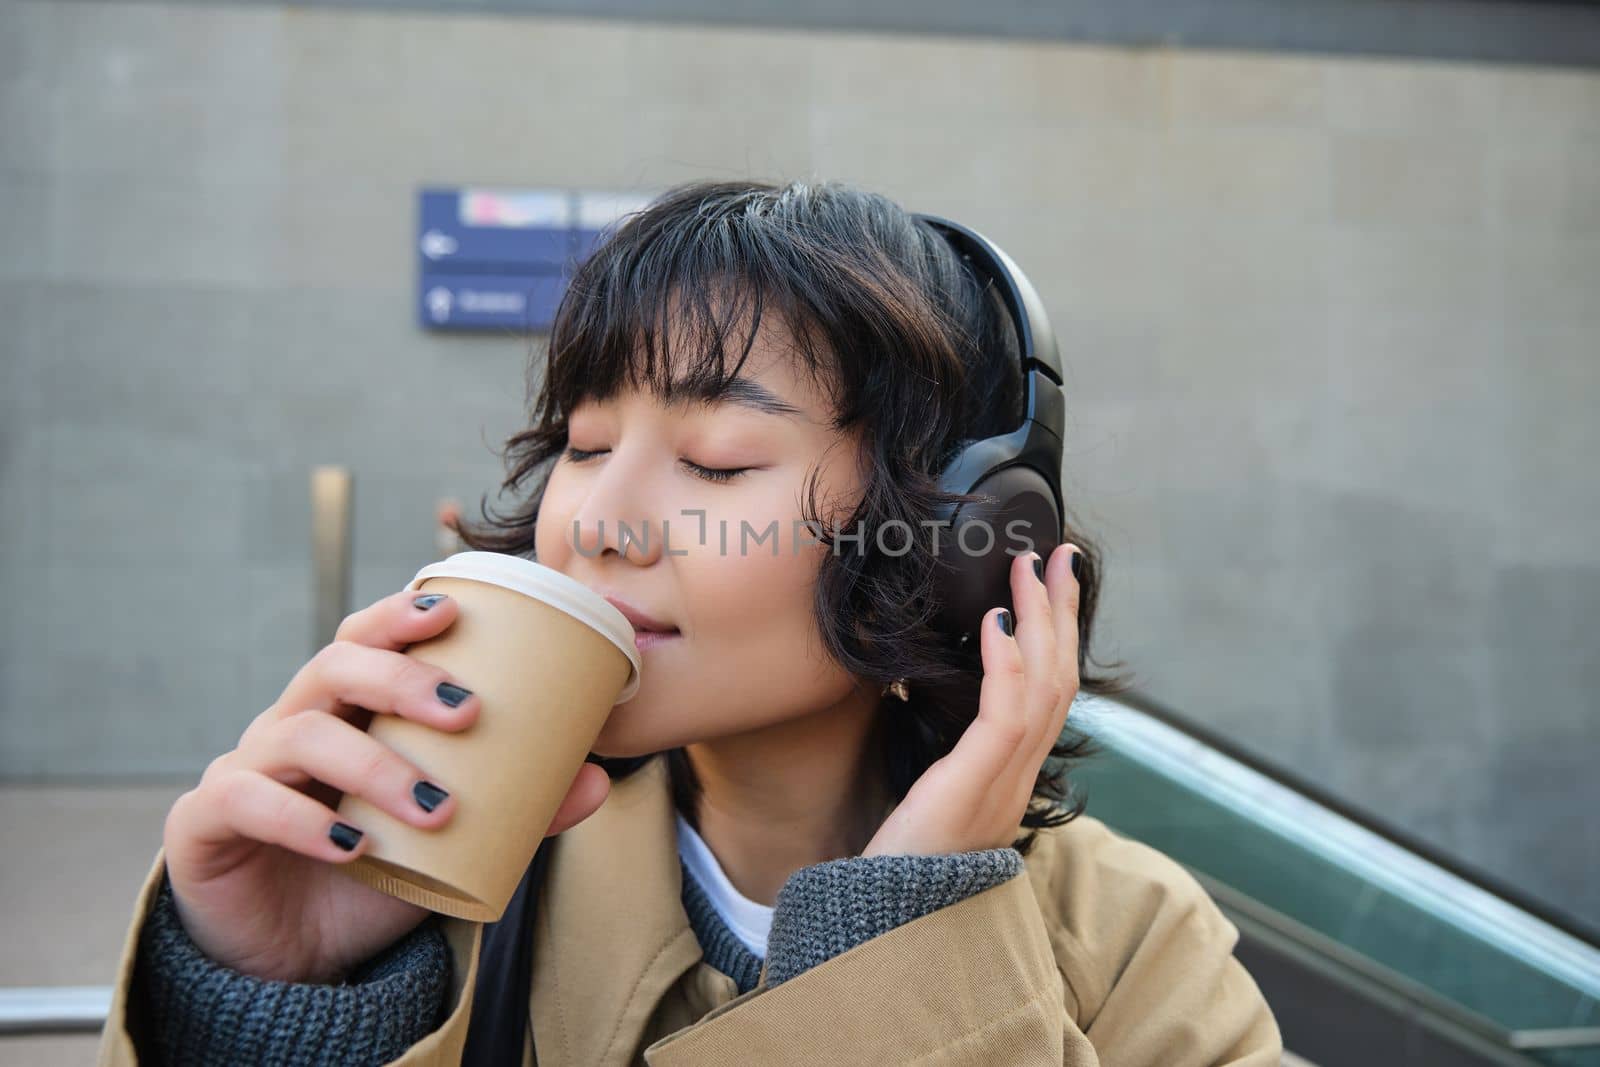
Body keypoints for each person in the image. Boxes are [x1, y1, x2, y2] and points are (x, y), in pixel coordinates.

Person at [95, 179, 1284, 1066]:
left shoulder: (1135, 951)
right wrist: (274, 998)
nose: (597, 521)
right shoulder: (450, 889)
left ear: (956, 536)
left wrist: (906, 944)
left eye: (715, 462)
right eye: (588, 443)